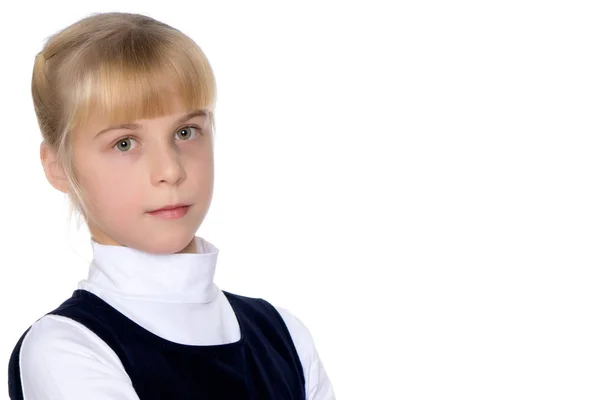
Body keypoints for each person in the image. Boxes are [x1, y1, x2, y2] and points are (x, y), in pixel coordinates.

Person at [7, 11, 334, 400]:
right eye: (124, 143)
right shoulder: (67, 347)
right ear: (58, 167)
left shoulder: (284, 334)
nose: (169, 170)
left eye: (185, 132)